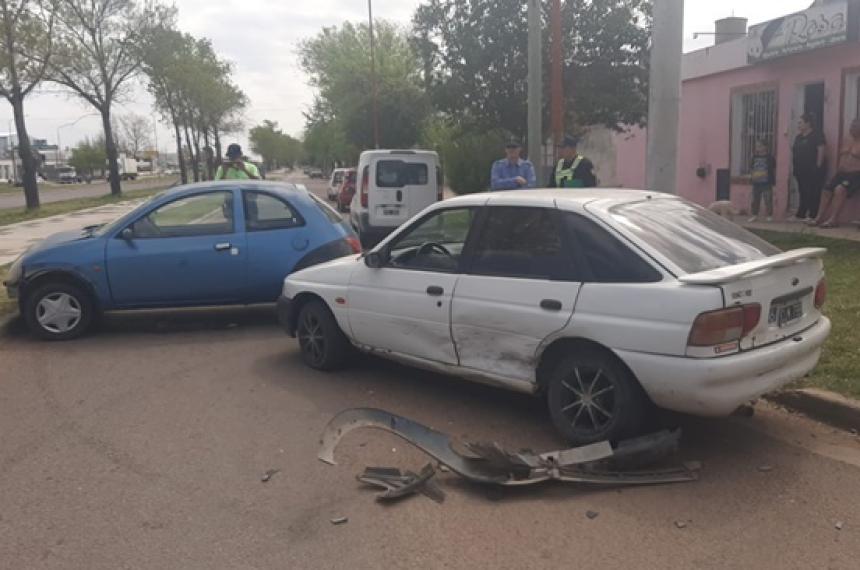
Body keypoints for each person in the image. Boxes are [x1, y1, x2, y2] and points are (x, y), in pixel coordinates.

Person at [811, 119, 860, 228]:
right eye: (851, 126)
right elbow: (842, 157)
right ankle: (818, 217)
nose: (852, 128)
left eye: (855, 126)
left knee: (839, 189)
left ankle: (833, 219)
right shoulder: (847, 140)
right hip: (841, 173)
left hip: (855, 174)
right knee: (826, 189)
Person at [790, 113, 827, 222]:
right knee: (803, 191)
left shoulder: (817, 134)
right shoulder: (798, 137)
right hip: (800, 170)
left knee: (813, 192)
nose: (798, 125)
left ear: (808, 123)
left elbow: (821, 150)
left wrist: (818, 166)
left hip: (813, 169)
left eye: (800, 123)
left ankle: (812, 215)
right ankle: (801, 214)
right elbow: (794, 151)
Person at [748, 140, 776, 223]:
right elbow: (751, 168)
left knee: (768, 199)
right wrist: (752, 176)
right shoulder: (754, 157)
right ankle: (754, 215)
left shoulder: (770, 157)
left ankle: (769, 216)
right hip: (756, 182)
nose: (757, 148)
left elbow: (773, 168)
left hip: (766, 182)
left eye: (760, 146)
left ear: (765, 147)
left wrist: (770, 178)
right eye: (757, 146)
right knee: (755, 200)